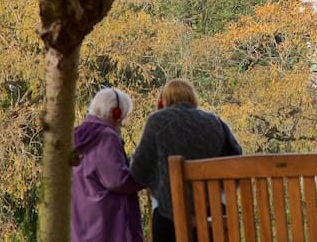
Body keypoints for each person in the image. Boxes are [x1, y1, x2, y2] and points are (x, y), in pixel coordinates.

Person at [130, 78, 242, 242]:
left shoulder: (157, 121)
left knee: (161, 211)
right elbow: (236, 160)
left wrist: (158, 180)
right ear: (193, 97)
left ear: (163, 101)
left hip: (170, 219)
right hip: (213, 216)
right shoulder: (214, 121)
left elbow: (138, 170)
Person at [71, 88, 146, 242]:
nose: (123, 122)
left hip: (81, 224)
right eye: (123, 115)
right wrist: (146, 176)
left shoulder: (74, 136)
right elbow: (118, 180)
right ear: (115, 113)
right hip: (108, 224)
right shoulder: (106, 137)